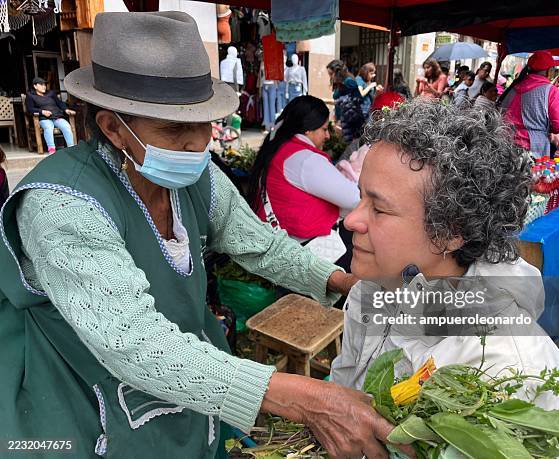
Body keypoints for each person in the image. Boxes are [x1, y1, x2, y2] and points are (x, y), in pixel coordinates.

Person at [0, 12, 413, 459]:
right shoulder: (62, 204)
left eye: (204, 121)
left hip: (180, 379)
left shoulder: (196, 177)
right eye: (176, 128)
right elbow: (134, 341)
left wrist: (344, 284)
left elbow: (260, 244)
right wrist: (308, 400)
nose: (199, 141)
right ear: (113, 127)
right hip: (77, 383)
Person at [330, 99, 559, 420]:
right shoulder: (376, 289)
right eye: (360, 197)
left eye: (379, 208)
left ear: (451, 232)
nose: (351, 220)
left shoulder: (500, 375)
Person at [247, 96, 359, 243]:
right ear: (308, 128)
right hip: (309, 246)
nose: (327, 135)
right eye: (324, 129)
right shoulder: (305, 159)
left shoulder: (279, 149)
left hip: (283, 241)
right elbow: (354, 199)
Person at [499, 51, 559, 157]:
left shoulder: (514, 88)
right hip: (535, 146)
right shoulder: (550, 91)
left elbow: (501, 114)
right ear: (549, 71)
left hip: (507, 142)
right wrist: (545, 128)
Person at [25, 76, 76, 154]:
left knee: (66, 126)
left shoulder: (51, 93)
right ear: (35, 86)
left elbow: (59, 103)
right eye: (41, 84)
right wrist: (42, 112)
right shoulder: (31, 96)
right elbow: (30, 109)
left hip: (57, 117)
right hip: (44, 119)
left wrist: (66, 110)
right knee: (48, 127)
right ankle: (52, 150)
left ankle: (71, 148)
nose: (44, 86)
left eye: (44, 84)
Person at [327, 59, 364, 141]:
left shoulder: (349, 81)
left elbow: (357, 99)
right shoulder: (340, 82)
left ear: (337, 72)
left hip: (349, 122)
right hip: (341, 119)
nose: (330, 77)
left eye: (331, 74)